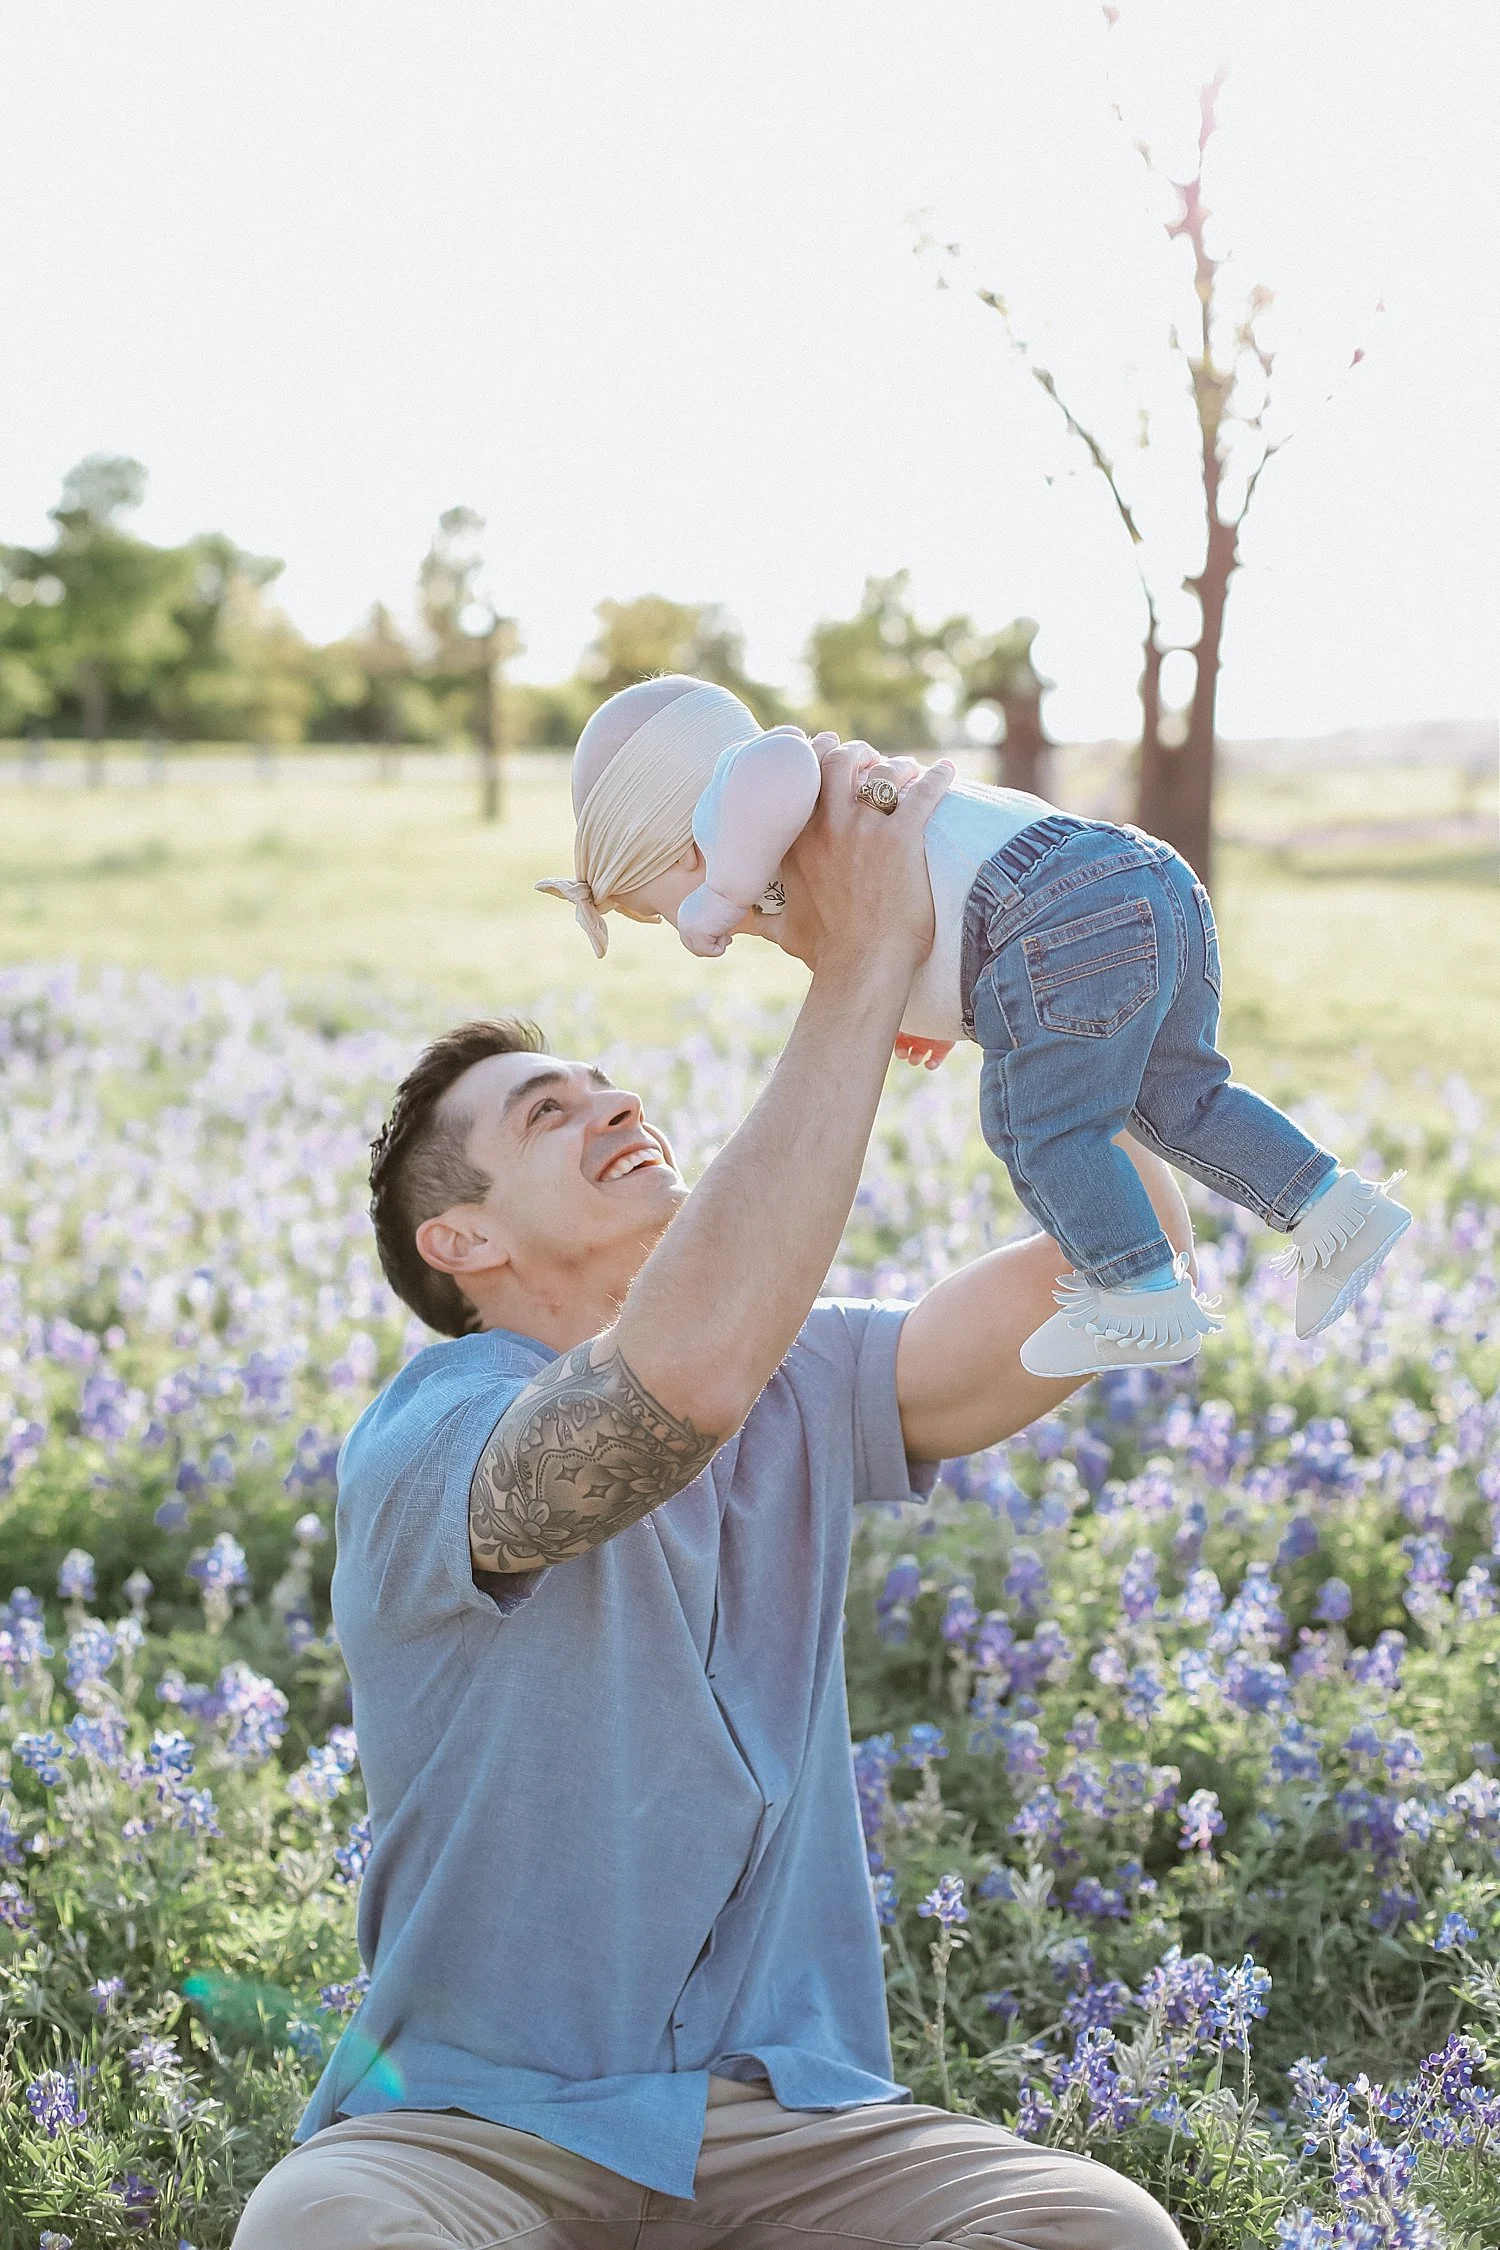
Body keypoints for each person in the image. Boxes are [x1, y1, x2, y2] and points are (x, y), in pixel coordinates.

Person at [234, 740, 1191, 2250]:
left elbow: (1124, 1251)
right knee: (329, 2226)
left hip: (787, 2118)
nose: (611, 1101)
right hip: (475, 2121)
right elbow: (667, 1399)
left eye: (606, 1081)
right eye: (545, 1112)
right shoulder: (428, 1438)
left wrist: (1031, 972)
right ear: (464, 1247)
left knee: (1100, 2230)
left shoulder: (802, 1369)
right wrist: (857, 975)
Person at [535, 676, 1410, 1378]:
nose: (702, 934)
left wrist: (722, 894)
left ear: (672, 846)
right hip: (1138, 882)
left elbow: (779, 764)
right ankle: (1336, 1211)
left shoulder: (751, 790)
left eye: (660, 910)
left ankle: (1140, 1295)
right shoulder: (800, 846)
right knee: (1178, 1099)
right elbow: (919, 910)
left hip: (1050, 913)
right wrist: (939, 1013)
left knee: (1038, 1128)